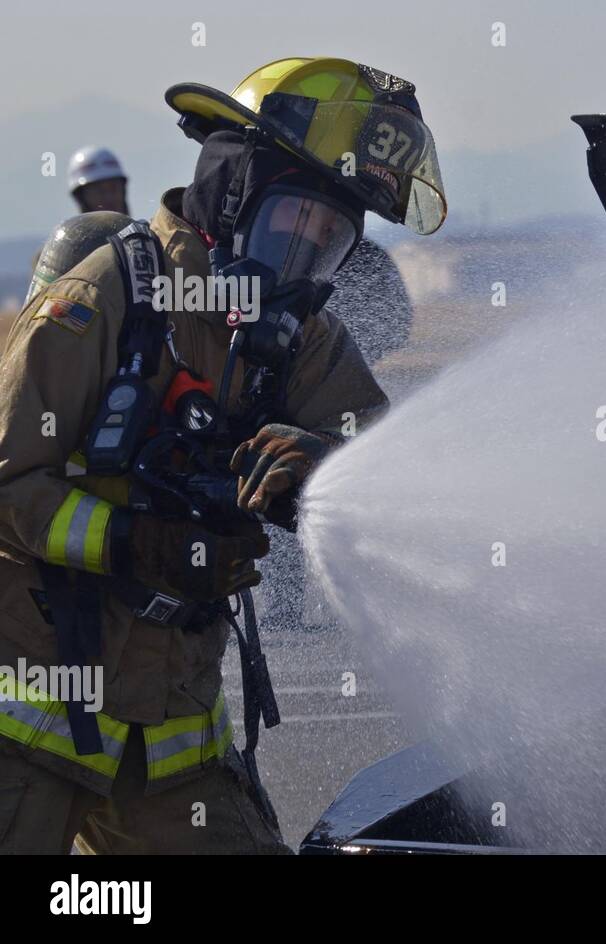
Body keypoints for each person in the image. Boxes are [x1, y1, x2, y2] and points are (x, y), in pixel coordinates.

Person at [0, 57, 446, 854]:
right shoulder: (107, 299)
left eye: (328, 238)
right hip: (30, 720)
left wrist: (317, 464)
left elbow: (395, 470)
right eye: (292, 222)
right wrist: (138, 544)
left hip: (175, 734)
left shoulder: (300, 340)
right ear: (231, 197)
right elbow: (8, 486)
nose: (302, 252)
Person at [67, 147, 130, 215]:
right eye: (99, 191)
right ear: (81, 197)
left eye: (113, 188)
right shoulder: (63, 226)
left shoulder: (141, 225)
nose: (108, 197)